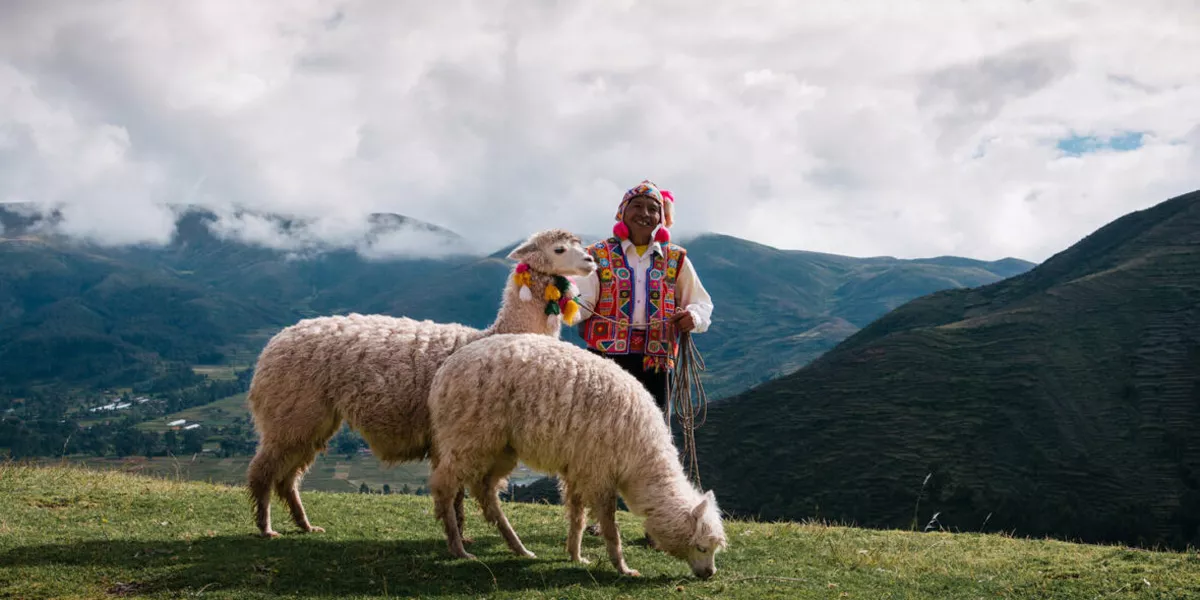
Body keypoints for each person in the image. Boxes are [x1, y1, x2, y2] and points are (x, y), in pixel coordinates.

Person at [573, 179, 714, 541]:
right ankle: (600, 518)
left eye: (654, 209)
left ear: (662, 217)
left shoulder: (676, 259)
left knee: (651, 443)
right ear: (623, 212)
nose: (646, 214)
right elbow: (582, 303)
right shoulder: (598, 255)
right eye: (638, 206)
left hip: (655, 361)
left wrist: (692, 318)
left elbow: (700, 302)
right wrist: (561, 309)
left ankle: (660, 523)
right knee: (600, 438)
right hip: (606, 360)